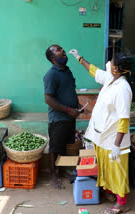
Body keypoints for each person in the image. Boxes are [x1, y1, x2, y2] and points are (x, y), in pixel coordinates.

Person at [69, 49, 132, 214]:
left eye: (111, 61)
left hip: (114, 139)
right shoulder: (111, 78)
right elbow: (94, 71)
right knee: (106, 167)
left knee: (117, 170)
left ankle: (122, 203)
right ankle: (111, 192)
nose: (109, 63)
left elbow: (124, 119)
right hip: (102, 137)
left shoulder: (123, 88)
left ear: (116, 68)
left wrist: (117, 145)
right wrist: (79, 58)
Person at [43, 44, 82, 189]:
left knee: (66, 146)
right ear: (53, 58)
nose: (63, 51)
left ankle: (62, 170)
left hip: (69, 117)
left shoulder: (67, 71)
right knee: (55, 148)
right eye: (59, 51)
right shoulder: (51, 75)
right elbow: (48, 99)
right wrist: (67, 110)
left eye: (62, 49)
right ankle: (53, 175)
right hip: (58, 118)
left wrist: (76, 104)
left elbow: (71, 89)